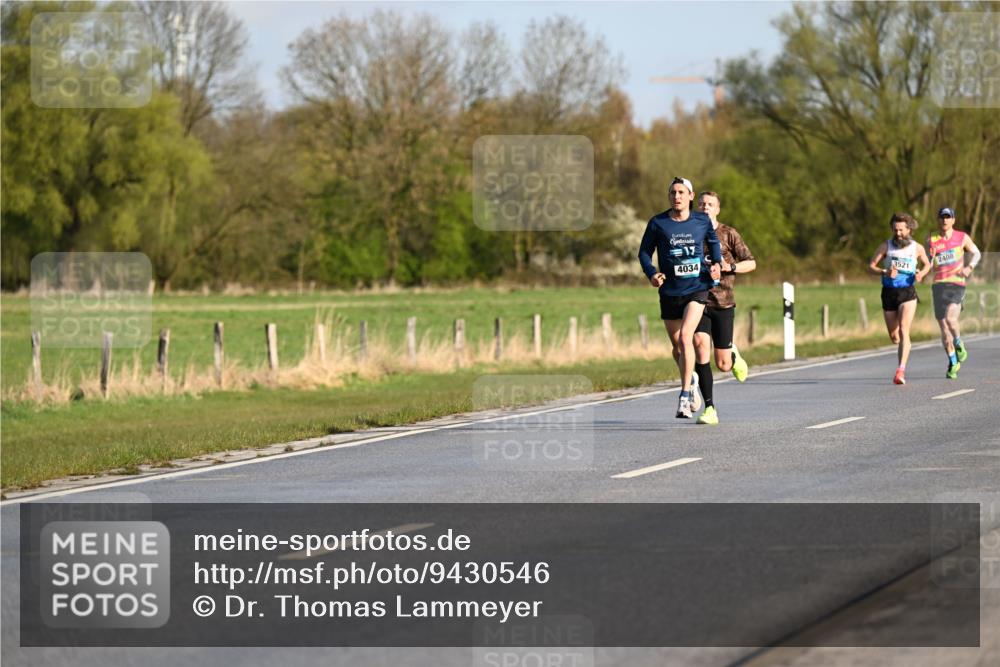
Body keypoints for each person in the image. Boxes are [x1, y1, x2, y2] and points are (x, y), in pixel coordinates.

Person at [638, 176, 722, 419]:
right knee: (677, 347)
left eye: (681, 192)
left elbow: (713, 242)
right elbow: (644, 253)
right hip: (670, 291)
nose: (677, 196)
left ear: (690, 196)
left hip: (697, 287)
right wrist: (652, 273)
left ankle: (684, 397)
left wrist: (716, 264)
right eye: (673, 192)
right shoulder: (658, 223)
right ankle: (691, 378)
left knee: (687, 337)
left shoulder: (701, 220)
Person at [689, 191, 756, 425]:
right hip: (697, 300)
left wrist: (731, 267)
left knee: (724, 364)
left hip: (723, 302)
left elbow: (752, 262)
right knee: (699, 346)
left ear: (717, 209)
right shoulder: (690, 232)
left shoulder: (728, 233)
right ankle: (709, 408)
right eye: (702, 204)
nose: (705, 207)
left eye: (710, 205)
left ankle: (733, 354)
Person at [867, 213, 931, 385]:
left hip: (907, 292)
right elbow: (871, 266)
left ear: (909, 229)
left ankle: (900, 370)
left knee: (904, 329)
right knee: (894, 336)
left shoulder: (916, 248)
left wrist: (921, 273)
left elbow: (927, 264)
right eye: (895, 230)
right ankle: (903, 347)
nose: (898, 233)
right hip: (889, 292)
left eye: (901, 230)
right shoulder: (886, 246)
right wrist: (885, 272)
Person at [927, 207, 982, 379]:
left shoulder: (962, 237)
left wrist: (969, 267)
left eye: (948, 217)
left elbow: (977, 253)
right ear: (938, 219)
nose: (945, 220)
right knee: (944, 329)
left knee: (951, 319)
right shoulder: (931, 239)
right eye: (942, 217)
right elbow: (928, 263)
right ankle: (953, 361)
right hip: (938, 286)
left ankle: (958, 343)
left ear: (953, 220)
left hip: (957, 284)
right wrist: (929, 258)